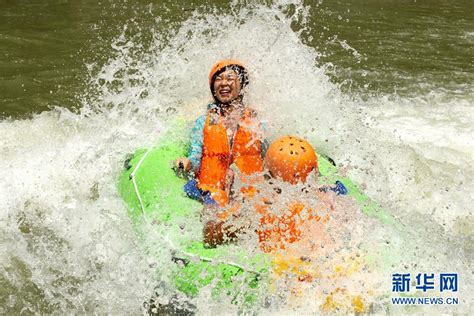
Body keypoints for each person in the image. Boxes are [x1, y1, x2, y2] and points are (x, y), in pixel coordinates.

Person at [175, 60, 268, 247]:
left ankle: (251, 228)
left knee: (260, 208)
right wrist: (187, 163)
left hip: (249, 189)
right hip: (213, 189)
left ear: (242, 86)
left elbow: (266, 157)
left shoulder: (256, 122)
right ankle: (234, 230)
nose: (224, 83)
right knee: (212, 231)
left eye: (230, 78)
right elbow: (196, 156)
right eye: (218, 79)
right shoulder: (204, 122)